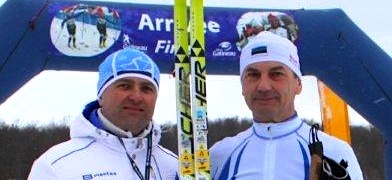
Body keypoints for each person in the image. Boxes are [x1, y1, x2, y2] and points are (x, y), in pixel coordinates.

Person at [209, 31, 363, 179]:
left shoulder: (335, 152)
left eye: (276, 74)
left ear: (298, 84)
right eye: (253, 75)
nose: (264, 86)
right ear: (242, 86)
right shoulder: (219, 156)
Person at [28, 48, 179, 179]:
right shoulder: (56, 166)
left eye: (146, 89)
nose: (136, 97)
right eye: (125, 86)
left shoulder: (174, 166)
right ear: (101, 95)